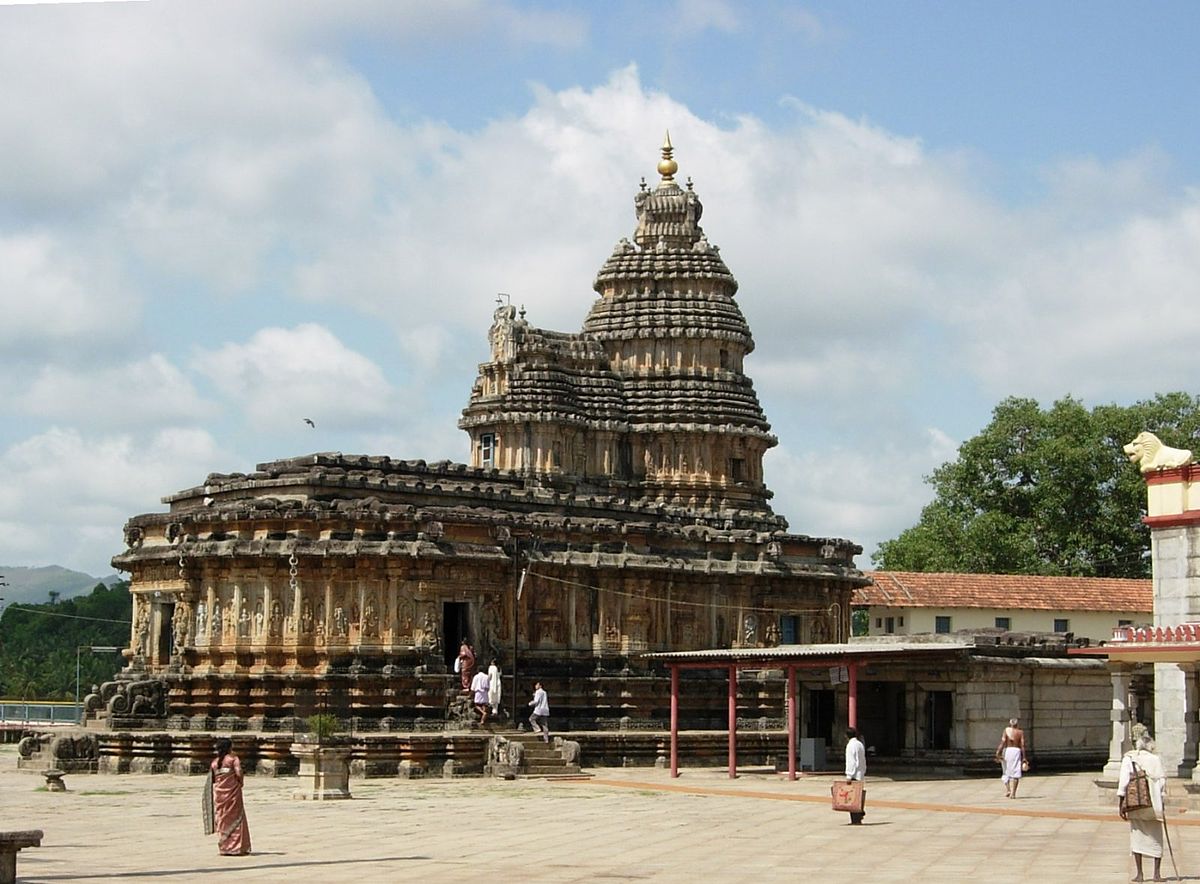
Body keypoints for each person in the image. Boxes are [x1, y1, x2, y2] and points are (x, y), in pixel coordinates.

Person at [1118, 732, 1168, 883]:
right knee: (1156, 837)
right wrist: (1161, 801)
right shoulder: (1155, 760)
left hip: (1135, 803)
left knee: (1137, 837)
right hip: (1153, 804)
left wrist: (1121, 804)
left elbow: (1123, 782)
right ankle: (1156, 874)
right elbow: (1162, 782)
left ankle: (1140, 874)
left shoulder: (1129, 758)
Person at [206, 737, 251, 856]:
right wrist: (240, 782)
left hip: (220, 794)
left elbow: (213, 779)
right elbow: (239, 772)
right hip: (233, 793)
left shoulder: (215, 762)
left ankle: (225, 846)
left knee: (223, 818)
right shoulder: (233, 759)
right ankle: (236, 847)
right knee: (236, 817)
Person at [995, 717, 1027, 799]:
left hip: (1007, 751)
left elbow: (1002, 742)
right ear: (1017, 724)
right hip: (1016, 751)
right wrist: (1024, 757)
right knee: (1016, 772)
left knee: (1005, 771)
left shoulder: (1006, 730)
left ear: (1010, 724)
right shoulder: (1020, 732)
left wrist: (998, 752)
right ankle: (1013, 793)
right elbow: (1022, 745)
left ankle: (1008, 789)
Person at [844, 726, 866, 825]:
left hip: (854, 774)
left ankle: (855, 818)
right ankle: (859, 815)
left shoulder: (850, 746)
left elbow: (851, 762)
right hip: (860, 773)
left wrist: (849, 775)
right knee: (858, 796)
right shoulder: (860, 744)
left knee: (852, 798)